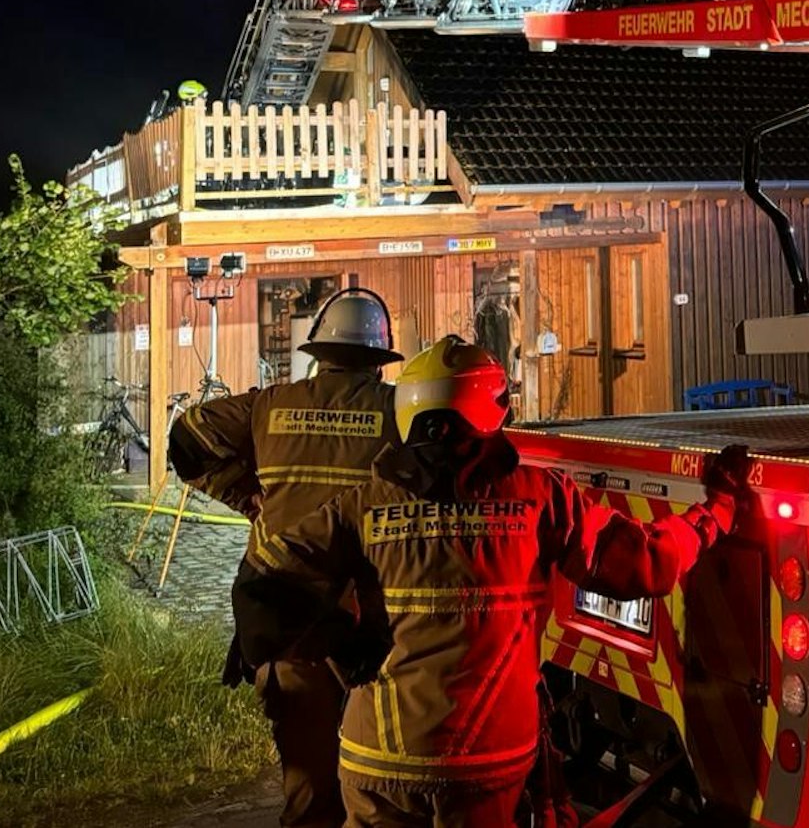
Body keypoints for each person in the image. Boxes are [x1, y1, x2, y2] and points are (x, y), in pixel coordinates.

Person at [230, 336, 750, 828]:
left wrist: (338, 643)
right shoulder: (541, 497)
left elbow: (262, 586)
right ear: (494, 409)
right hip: (486, 767)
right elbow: (646, 564)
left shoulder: (363, 506)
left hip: (379, 758)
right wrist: (717, 512)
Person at [168, 288, 404, 828]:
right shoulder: (396, 412)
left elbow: (186, 439)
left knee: (308, 786)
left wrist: (246, 497)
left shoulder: (269, 405)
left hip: (284, 621)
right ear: (379, 359)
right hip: (369, 627)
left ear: (319, 352)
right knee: (381, 785)